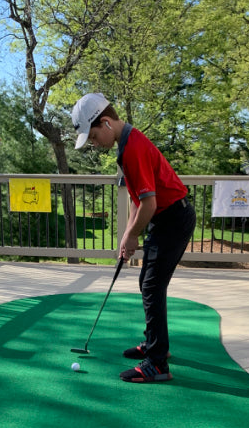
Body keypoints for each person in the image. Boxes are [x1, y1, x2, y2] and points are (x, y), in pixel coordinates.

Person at [71, 92, 196, 383]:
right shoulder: (127, 144)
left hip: (173, 219)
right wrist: (128, 235)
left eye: (92, 136)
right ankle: (156, 346)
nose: (93, 143)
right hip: (164, 218)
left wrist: (133, 236)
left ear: (105, 123)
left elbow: (149, 204)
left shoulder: (133, 149)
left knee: (152, 286)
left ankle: (157, 364)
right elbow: (139, 201)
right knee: (148, 283)